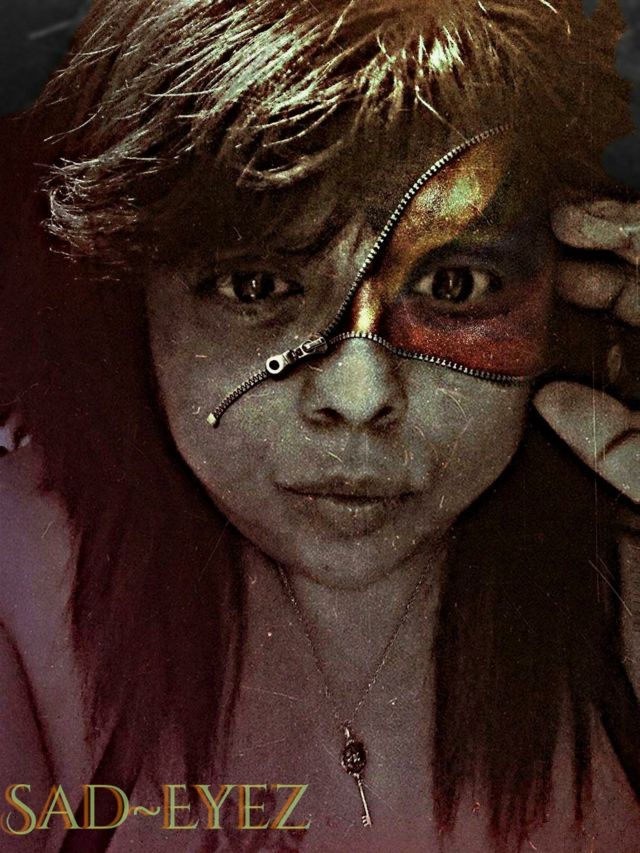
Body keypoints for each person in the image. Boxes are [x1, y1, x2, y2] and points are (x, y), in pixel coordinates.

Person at [0, 1, 639, 851]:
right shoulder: (20, 578)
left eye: (453, 286)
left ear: (570, 285)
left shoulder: (621, 577)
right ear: (134, 298)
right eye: (258, 285)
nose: (359, 394)